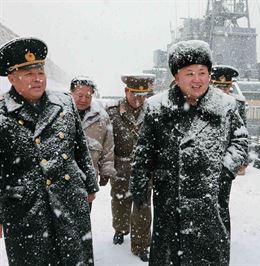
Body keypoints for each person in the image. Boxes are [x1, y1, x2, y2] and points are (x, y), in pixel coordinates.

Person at [129, 40, 248, 266]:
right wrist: (139, 184)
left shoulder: (226, 106)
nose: (197, 79)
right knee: (170, 257)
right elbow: (144, 149)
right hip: (169, 202)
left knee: (208, 256)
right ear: (176, 76)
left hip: (211, 203)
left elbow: (240, 139)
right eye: (190, 73)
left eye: (203, 72)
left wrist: (225, 170)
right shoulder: (157, 107)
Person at [0, 37, 99, 265]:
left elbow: (79, 148)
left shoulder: (65, 103)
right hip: (26, 208)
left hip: (69, 200)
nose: (37, 79)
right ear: (12, 78)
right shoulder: (3, 114)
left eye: (40, 72)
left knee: (75, 257)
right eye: (28, 74)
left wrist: (90, 185)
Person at [106, 73, 155, 262]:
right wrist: (108, 167)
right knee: (119, 202)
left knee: (142, 205)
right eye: (134, 94)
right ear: (126, 91)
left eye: (143, 95)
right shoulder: (112, 112)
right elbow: (107, 144)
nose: (138, 99)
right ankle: (120, 229)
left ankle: (141, 245)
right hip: (121, 166)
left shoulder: (152, 112)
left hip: (144, 168)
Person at [210, 65, 248, 246]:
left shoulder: (237, 103)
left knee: (222, 204)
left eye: (226, 87)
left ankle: (223, 239)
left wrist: (237, 162)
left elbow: (242, 133)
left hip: (226, 163)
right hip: (207, 162)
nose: (223, 90)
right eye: (219, 86)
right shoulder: (205, 101)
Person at [70, 76, 116, 199]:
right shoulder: (60, 114)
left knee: (84, 215)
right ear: (71, 93)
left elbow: (108, 147)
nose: (84, 100)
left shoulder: (101, 117)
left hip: (88, 179)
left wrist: (106, 170)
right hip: (62, 180)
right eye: (80, 95)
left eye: (88, 96)